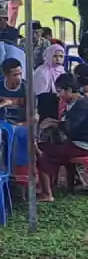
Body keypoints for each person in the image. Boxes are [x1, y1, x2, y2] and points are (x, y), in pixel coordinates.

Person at [35, 73, 88, 201]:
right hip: (77, 142)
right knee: (52, 148)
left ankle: (47, 193)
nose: (58, 95)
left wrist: (55, 123)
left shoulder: (81, 105)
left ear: (69, 90)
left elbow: (71, 128)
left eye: (60, 92)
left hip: (81, 144)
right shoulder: (77, 102)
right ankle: (72, 183)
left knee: (42, 153)